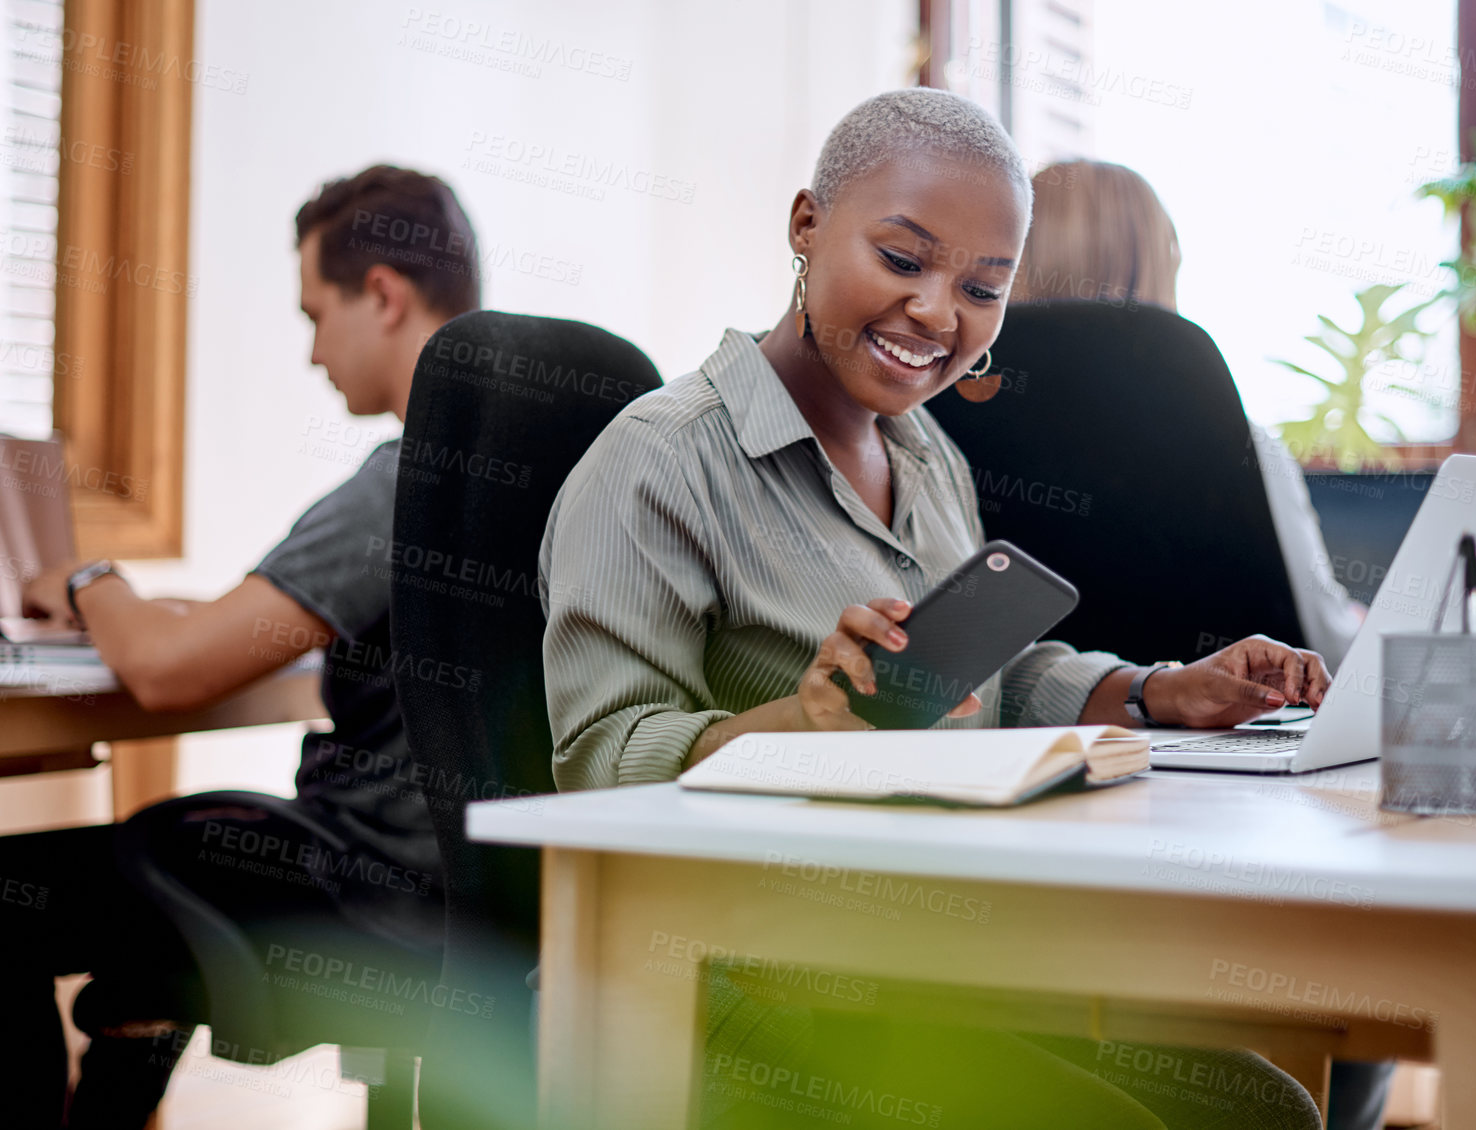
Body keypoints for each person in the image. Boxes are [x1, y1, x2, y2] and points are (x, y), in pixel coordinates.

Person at [540, 88, 1329, 1130]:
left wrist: (1153, 691)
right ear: (806, 226)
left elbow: (984, 674)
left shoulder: (922, 450)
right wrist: (801, 724)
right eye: (904, 260)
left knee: (1259, 1107)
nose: (938, 314)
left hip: (910, 957)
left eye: (983, 286)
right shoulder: (663, 458)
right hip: (728, 981)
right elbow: (598, 760)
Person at [2, 165, 476, 1128]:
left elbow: (168, 677)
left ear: (381, 294)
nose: (312, 354)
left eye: (315, 314)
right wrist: (175, 612)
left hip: (356, 891)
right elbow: (252, 626)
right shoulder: (513, 460)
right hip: (466, 898)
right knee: (143, 940)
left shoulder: (404, 476)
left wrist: (94, 582)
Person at [1015, 158, 1392, 1130]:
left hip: (1024, 784)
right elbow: (1314, 635)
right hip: (1222, 797)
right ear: (1161, 268)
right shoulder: (1230, 431)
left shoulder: (935, 424)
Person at [1012, 159, 1362, 671]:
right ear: (1161, 263)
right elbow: (1323, 650)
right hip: (1229, 733)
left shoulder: (948, 419)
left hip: (1024, 733)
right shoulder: (1239, 442)